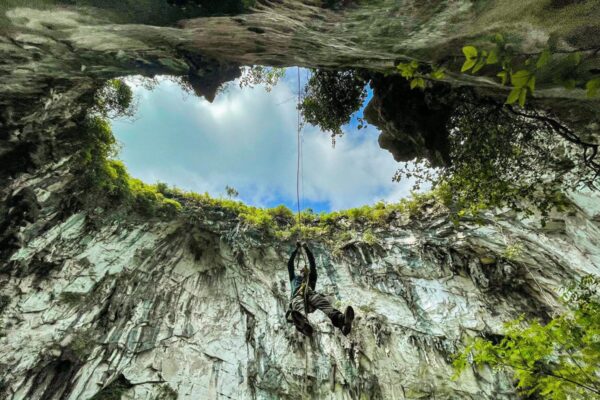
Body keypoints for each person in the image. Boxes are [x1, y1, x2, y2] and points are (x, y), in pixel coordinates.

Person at [286, 241, 354, 336]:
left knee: (321, 300)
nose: (302, 271)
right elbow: (290, 265)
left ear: (307, 272)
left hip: (311, 299)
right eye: (301, 271)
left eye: (304, 270)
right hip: (298, 300)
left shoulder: (311, 279)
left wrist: (307, 249)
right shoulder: (294, 279)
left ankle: (340, 320)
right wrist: (296, 250)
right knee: (298, 301)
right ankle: (303, 323)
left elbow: (312, 264)